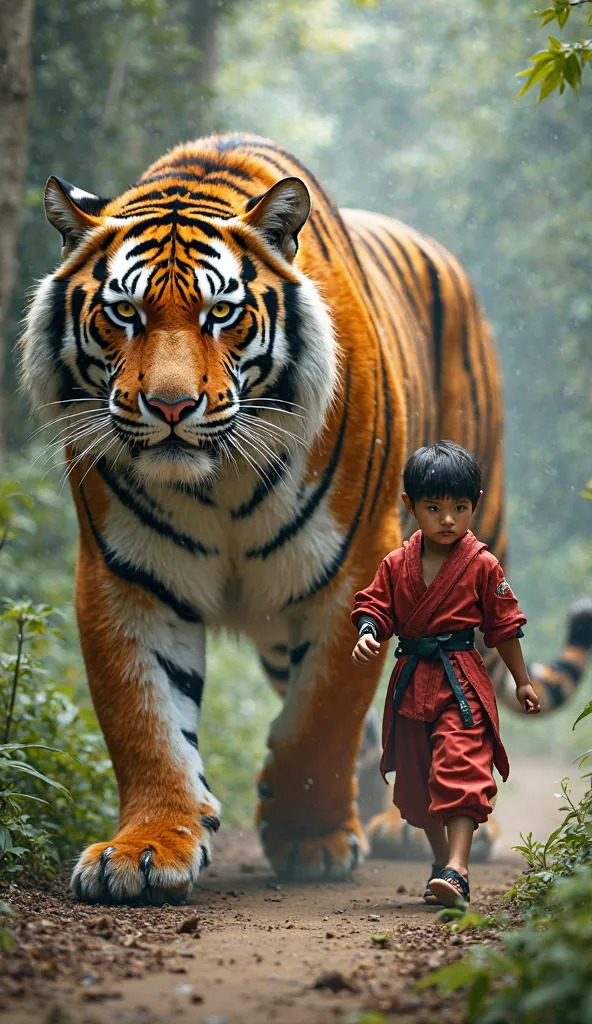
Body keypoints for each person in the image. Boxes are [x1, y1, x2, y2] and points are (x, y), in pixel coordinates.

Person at [351, 441, 540, 907]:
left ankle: (458, 868)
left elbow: (504, 628)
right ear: (410, 506)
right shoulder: (396, 564)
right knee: (418, 783)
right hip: (412, 681)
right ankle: (442, 866)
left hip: (462, 683)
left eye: (459, 507)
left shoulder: (482, 565)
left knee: (461, 766)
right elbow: (373, 604)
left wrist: (522, 680)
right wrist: (369, 631)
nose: (448, 519)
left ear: (475, 503)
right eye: (433, 507)